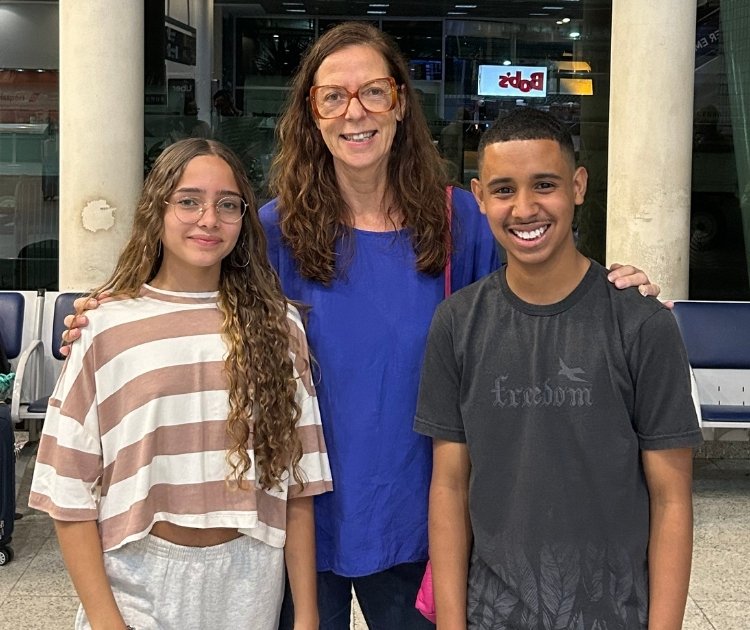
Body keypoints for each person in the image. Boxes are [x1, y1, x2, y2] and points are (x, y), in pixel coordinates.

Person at [62, 22, 659, 630]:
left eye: (374, 91)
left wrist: (614, 289)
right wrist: (108, 306)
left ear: (400, 103)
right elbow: (185, 297)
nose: (356, 112)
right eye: (333, 96)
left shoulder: (460, 221)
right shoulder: (270, 232)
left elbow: (539, 285)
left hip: (423, 524)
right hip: (292, 525)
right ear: (311, 114)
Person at [414, 108, 703, 629]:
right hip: (492, 613)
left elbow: (672, 498)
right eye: (503, 190)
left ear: (578, 186)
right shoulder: (457, 323)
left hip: (615, 613)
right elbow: (450, 486)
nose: (524, 208)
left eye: (544, 184)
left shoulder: (641, 325)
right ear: (478, 197)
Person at [30, 138, 332, 630]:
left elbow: (298, 485)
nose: (208, 219)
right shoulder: (105, 326)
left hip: (249, 578)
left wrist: (307, 618)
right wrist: (108, 622)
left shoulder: (278, 327)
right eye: (189, 200)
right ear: (158, 209)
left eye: (227, 204)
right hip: (135, 578)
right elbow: (67, 488)